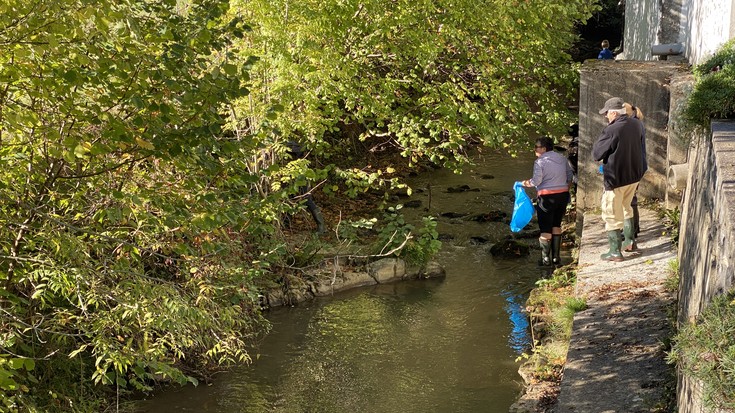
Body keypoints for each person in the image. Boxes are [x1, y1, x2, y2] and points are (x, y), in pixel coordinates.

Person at [592, 97, 646, 261]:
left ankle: (615, 251)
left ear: (614, 112)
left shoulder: (612, 129)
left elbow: (597, 154)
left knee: (611, 214)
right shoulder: (637, 124)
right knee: (626, 207)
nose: (606, 116)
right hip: (634, 176)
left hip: (616, 179)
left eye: (607, 113)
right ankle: (630, 242)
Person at [522, 136, 574, 266]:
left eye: (536, 147)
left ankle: (545, 260)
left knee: (545, 228)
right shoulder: (562, 158)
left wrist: (524, 183)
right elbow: (570, 176)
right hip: (562, 196)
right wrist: (564, 189)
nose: (535, 150)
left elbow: (536, 181)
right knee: (556, 225)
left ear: (543, 149)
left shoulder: (540, 162)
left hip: (547, 197)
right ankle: (556, 258)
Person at [285, 141, 326, 233]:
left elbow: (299, 152)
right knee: (288, 198)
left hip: (299, 172)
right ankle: (286, 225)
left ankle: (321, 226)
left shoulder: (296, 141)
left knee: (306, 199)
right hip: (287, 173)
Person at [623, 102, 648, 249]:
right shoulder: (637, 123)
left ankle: (631, 231)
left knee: (629, 200)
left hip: (632, 166)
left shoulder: (632, 124)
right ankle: (635, 228)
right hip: (638, 165)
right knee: (632, 198)